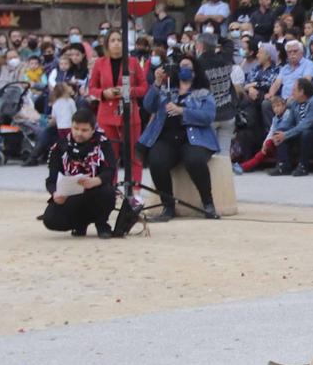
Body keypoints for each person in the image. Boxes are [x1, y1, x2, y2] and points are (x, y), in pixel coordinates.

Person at [140, 62, 219, 219]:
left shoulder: (203, 93)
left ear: (195, 71)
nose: (183, 69)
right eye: (180, 66)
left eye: (188, 66)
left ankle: (208, 203)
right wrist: (156, 83)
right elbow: (148, 106)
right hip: (167, 138)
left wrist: (182, 111)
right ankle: (168, 206)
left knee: (194, 160)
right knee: (156, 161)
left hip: (193, 139)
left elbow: (208, 116)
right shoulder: (167, 89)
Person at [86, 30, 149, 214]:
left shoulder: (132, 62)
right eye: (112, 40)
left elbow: (144, 87)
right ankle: (110, 190)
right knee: (109, 156)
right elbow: (92, 88)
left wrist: (128, 91)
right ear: (107, 44)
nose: (116, 43)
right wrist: (103, 93)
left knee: (134, 154)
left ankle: (136, 192)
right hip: (107, 114)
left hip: (130, 114)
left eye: (119, 40)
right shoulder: (100, 63)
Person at [40, 108, 125, 238]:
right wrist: (55, 193)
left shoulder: (103, 144)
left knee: (107, 191)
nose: (79, 133)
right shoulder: (60, 146)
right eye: (76, 129)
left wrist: (95, 181)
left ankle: (102, 224)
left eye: (84, 130)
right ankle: (79, 224)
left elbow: (110, 171)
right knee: (50, 219)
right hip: (70, 195)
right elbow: (51, 179)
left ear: (92, 129)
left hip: (95, 191)